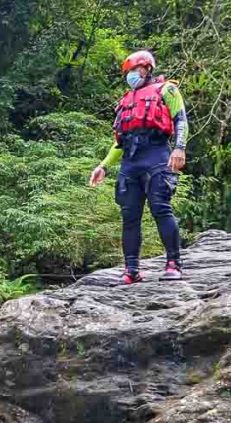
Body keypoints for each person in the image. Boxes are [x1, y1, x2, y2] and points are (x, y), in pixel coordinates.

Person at [89, 50, 189, 284]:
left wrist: (180, 147)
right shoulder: (126, 100)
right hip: (131, 162)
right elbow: (120, 142)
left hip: (157, 156)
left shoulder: (167, 90)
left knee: (161, 208)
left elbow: (181, 120)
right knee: (129, 216)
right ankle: (131, 270)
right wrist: (103, 166)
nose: (132, 75)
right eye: (129, 72)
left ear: (147, 69)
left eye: (135, 70)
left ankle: (173, 263)